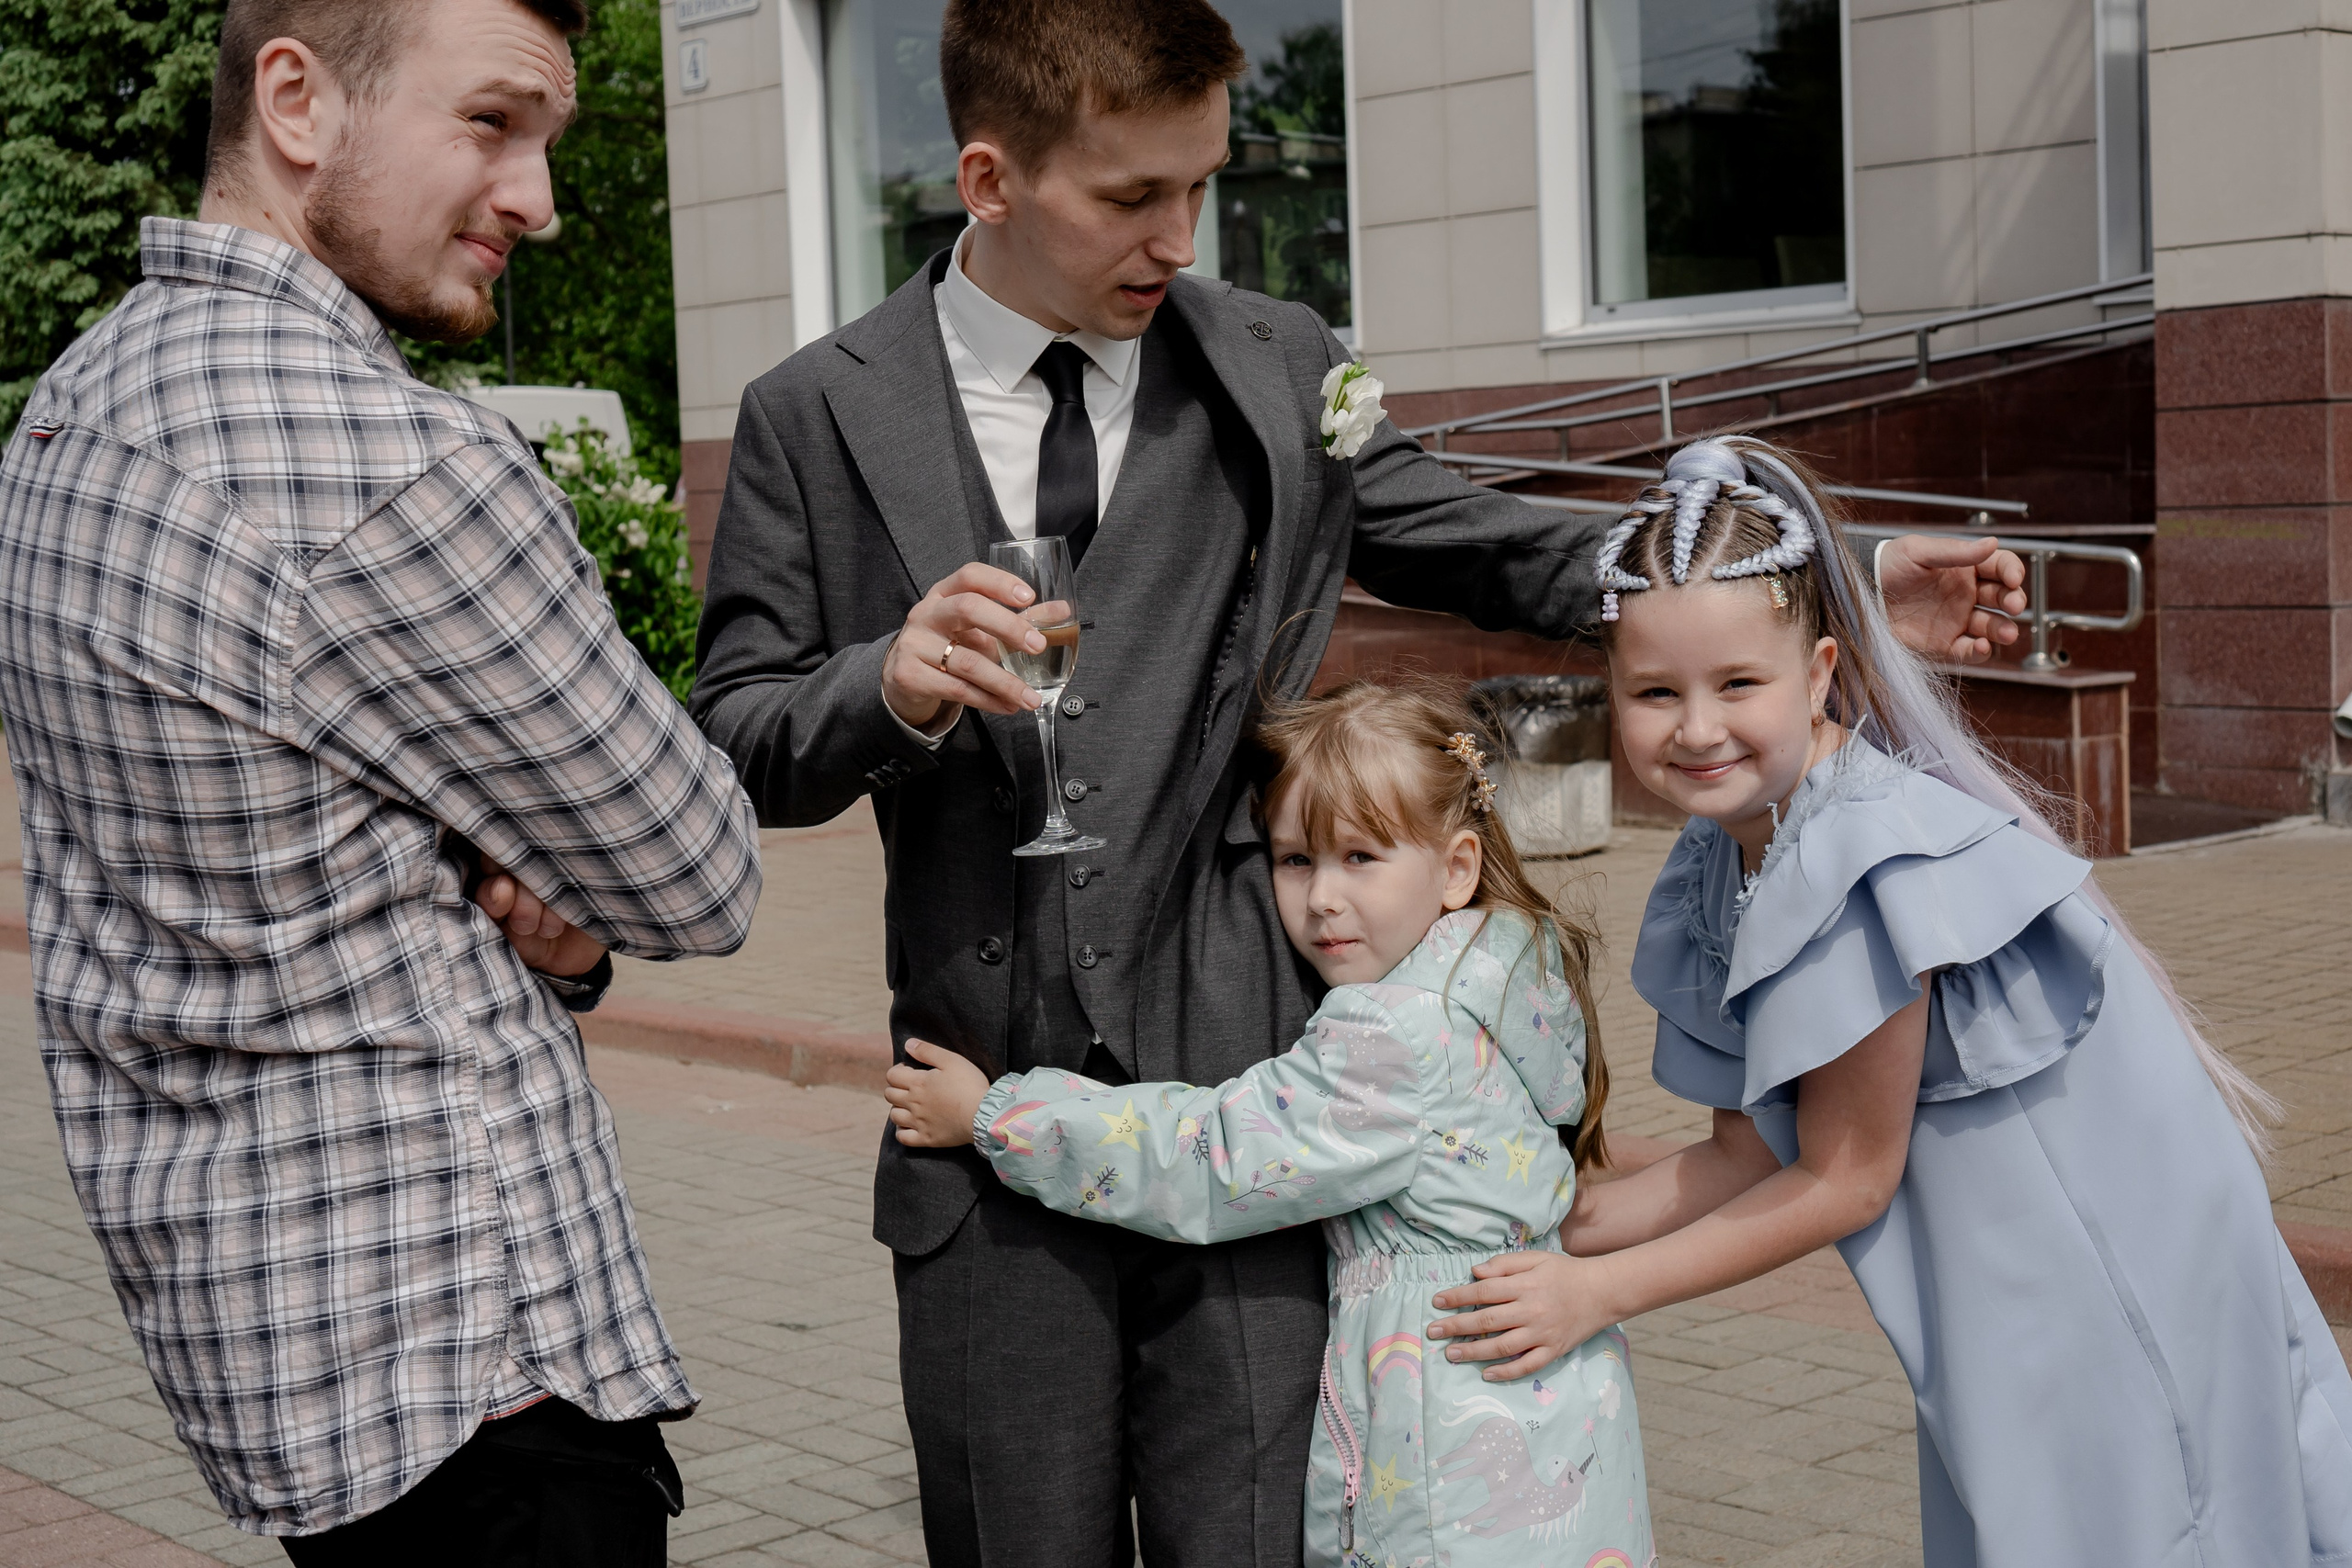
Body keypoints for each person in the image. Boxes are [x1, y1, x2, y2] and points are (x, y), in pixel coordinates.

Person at [689, 0, 2028, 1558]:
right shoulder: (813, 411)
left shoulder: (1278, 365)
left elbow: (1482, 537)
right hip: (984, 1140)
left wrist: (1835, 584)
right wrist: (887, 685)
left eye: (1201, 185)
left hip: (1266, 1108)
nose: (1179, 236)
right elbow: (737, 733)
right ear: (989, 180)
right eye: (1133, 196)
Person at [0, 0, 763, 1561]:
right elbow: (704, 870)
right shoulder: (396, 467)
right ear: (298, 99)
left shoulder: (70, 411)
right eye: (493, 121)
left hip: (264, 1349)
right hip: (472, 1375)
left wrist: (537, 910)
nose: (538, 198)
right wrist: (568, 907)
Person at [1421, 437, 2352, 1564]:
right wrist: (1499, 1215)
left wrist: (1593, 1291)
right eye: (1654, 692)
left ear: (1819, 673)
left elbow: (1842, 1180)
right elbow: (1744, 1158)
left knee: (2131, 1514)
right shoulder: (1726, 854)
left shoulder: (1858, 855)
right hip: (1996, 1274)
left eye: (1737, 685)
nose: (1696, 728)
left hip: (2102, 1256)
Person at [886, 679, 1654, 1566]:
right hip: (1559, 1432)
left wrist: (997, 1115)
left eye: (1360, 857)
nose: (1323, 897)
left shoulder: (1392, 1035)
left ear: (1457, 868)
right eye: (1294, 859)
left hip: (1448, 1459)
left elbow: (1211, 1157)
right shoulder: (1507, 980)